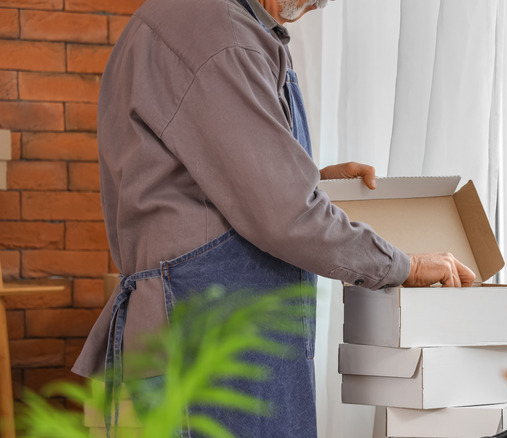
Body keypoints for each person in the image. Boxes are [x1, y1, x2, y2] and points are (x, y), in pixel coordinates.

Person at [73, 0, 475, 436]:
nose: (310, 11)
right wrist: (404, 266)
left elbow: (200, 182)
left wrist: (308, 181)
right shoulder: (222, 37)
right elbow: (285, 216)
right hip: (212, 333)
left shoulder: (182, 18)